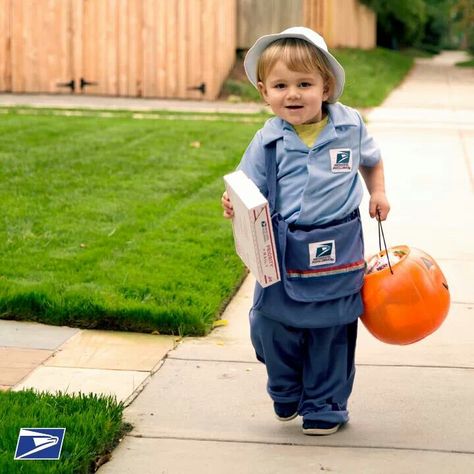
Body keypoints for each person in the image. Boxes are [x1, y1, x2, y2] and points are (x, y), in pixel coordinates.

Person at [221, 26, 390, 436]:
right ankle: (285, 387)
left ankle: (325, 405)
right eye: (280, 85)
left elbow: (371, 159)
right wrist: (233, 204)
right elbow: (245, 187)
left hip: (338, 243)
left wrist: (378, 191)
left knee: (332, 329)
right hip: (283, 248)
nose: (292, 94)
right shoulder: (269, 141)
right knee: (270, 325)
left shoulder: (349, 126)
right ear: (264, 92)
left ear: (326, 86)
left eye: (304, 84)